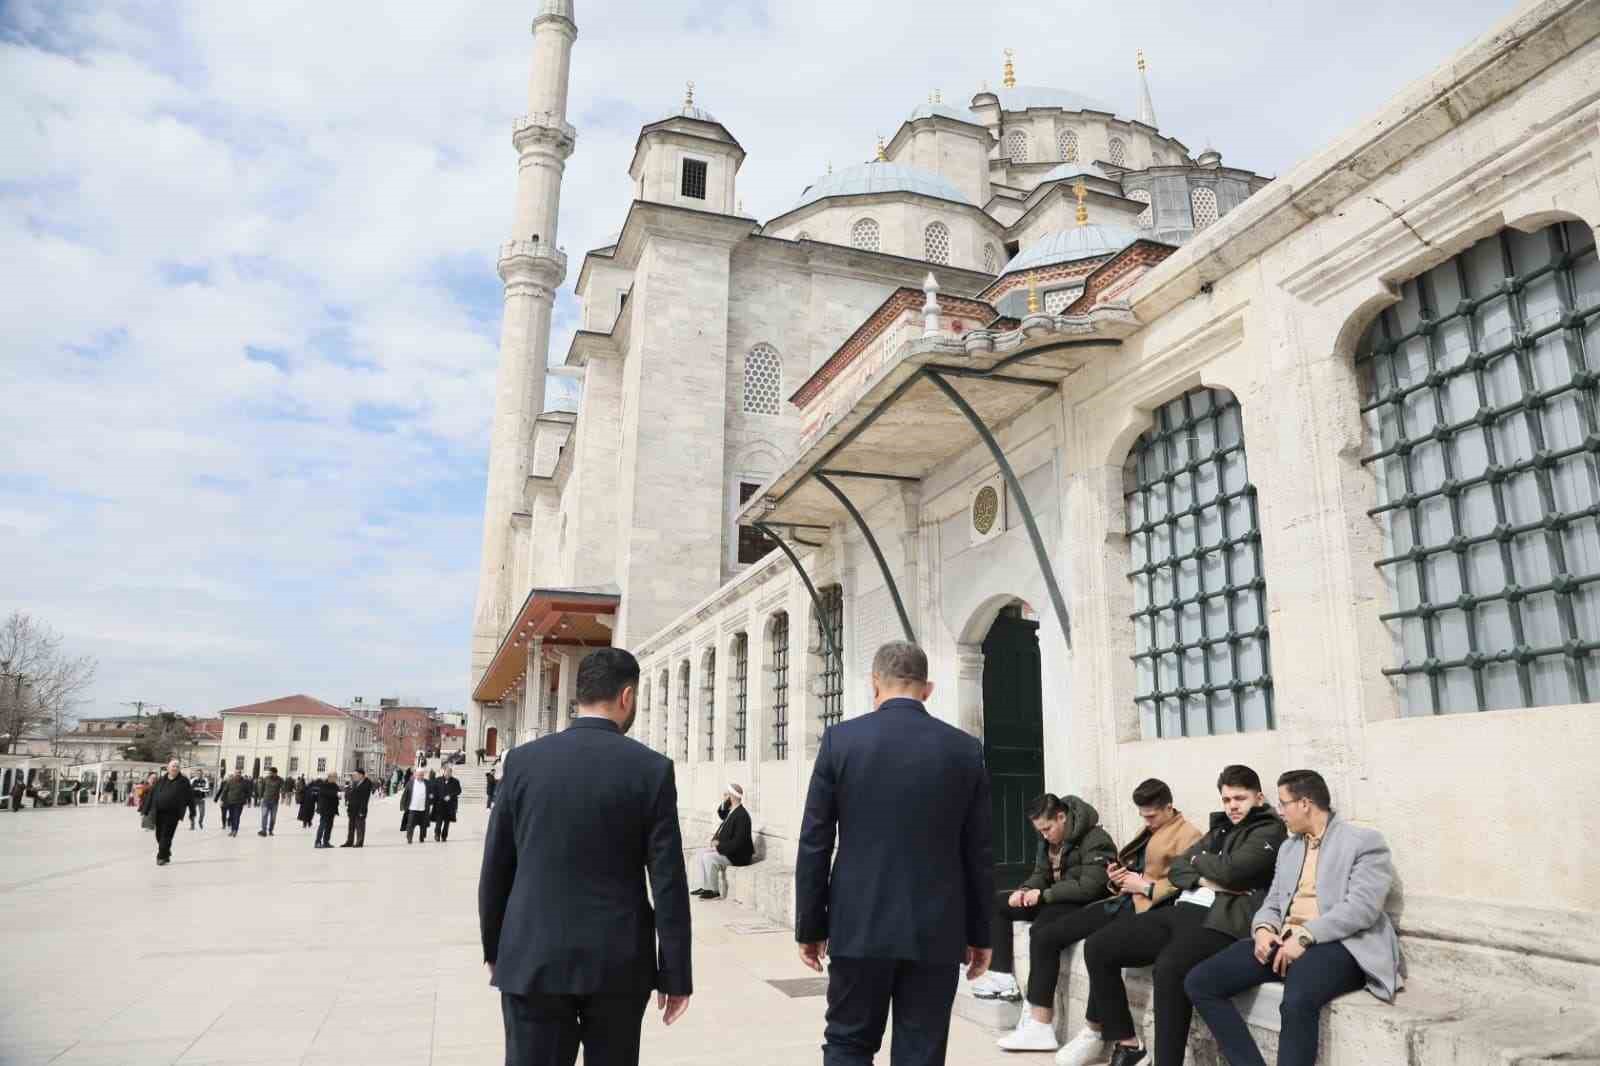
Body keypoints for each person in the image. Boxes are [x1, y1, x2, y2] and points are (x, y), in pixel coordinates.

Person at [480, 647, 692, 1066]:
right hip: (617, 964)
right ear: (627, 696)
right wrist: (676, 973)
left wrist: (495, 948)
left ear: (579, 695)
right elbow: (667, 881)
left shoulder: (523, 763)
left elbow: (497, 867)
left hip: (532, 958)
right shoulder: (651, 769)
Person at [795, 641, 993, 1066]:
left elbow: (814, 841)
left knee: (847, 1043)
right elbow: (978, 850)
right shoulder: (964, 749)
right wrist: (980, 934)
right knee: (921, 1053)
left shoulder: (840, 741)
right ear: (929, 689)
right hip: (937, 929)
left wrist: (810, 926)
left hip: (858, 924)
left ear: (874, 684)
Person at [1185, 770, 1401, 1066]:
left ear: (1305, 803)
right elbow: (1274, 900)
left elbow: (1362, 907)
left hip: (1341, 943)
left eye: (1284, 803)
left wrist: (1305, 935)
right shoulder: (1290, 847)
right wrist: (1262, 929)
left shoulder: (1363, 841)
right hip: (1284, 939)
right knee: (1200, 981)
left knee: (1298, 999)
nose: (1278, 811)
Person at [1076, 765, 1286, 1066]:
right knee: (1099, 946)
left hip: (1224, 920)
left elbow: (1234, 872)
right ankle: (1129, 1044)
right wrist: (1205, 877)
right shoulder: (1221, 828)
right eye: (1226, 800)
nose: (1232, 806)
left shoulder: (1270, 830)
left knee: (1170, 968)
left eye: (1239, 798)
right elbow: (1178, 867)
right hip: (1185, 908)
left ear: (1259, 797)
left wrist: (1203, 864)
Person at [1054, 779, 1205, 1065]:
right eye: (1142, 815)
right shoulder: (1149, 829)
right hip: (1124, 901)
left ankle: (1102, 1034)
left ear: (1169, 807)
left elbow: (1187, 881)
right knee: (1063, 933)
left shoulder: (1190, 835)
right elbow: (1137, 869)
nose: (1146, 820)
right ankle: (1109, 1036)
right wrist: (1119, 878)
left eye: (1151, 815)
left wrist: (1145, 887)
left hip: (1153, 910)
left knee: (1099, 946)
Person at [969, 793, 1115, 1053]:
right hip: (1053, 897)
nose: (1045, 835)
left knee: (1041, 932)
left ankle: (1040, 1025)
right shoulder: (1047, 840)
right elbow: (1041, 874)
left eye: (1047, 828)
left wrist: (1044, 894)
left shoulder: (1096, 839)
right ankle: (1002, 976)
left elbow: (1091, 887)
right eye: (1040, 830)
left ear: (1062, 817)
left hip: (1079, 903)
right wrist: (1024, 890)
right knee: (998, 903)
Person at [691, 783, 754, 902]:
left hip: (738, 856)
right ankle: (705, 887)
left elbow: (738, 843)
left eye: (726, 795)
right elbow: (721, 813)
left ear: (732, 797)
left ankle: (714, 892)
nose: (723, 797)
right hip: (728, 850)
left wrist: (718, 847)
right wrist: (724, 802)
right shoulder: (733, 811)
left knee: (709, 858)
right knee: (700, 853)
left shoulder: (742, 816)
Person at [143, 759, 193, 866]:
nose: (175, 768)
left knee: (166, 835)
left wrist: (192, 812)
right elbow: (152, 795)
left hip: (173, 814)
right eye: (173, 766)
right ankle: (166, 852)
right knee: (158, 835)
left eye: (177, 766)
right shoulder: (161, 780)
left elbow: (190, 796)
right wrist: (146, 809)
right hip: (159, 812)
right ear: (168, 768)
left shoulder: (183, 781)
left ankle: (160, 857)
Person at [340, 768, 373, 848]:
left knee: (360, 826)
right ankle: (349, 841)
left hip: (360, 808)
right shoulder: (354, 783)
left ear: (361, 775)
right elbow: (349, 794)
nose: (354, 776)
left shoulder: (367, 783)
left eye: (356, 775)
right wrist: (348, 787)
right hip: (352, 808)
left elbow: (365, 798)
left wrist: (362, 810)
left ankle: (359, 842)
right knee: (351, 826)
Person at [432, 765, 462, 842]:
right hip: (439, 804)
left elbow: (459, 791)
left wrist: (451, 796)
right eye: (447, 772)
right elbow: (434, 790)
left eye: (450, 772)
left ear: (451, 773)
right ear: (444, 772)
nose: (448, 773)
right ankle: (437, 835)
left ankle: (444, 836)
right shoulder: (438, 780)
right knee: (439, 821)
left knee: (447, 822)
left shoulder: (455, 781)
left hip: (450, 806)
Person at [217, 769, 250, 837]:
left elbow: (248, 792)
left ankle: (235, 830)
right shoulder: (230, 781)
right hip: (231, 802)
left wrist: (245, 799)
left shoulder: (244, 782)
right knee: (232, 817)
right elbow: (225, 791)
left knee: (237, 816)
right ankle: (232, 830)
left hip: (239, 802)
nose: (238, 774)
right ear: (234, 774)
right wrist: (222, 800)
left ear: (240, 774)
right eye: (236, 773)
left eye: (239, 773)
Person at [313, 770, 340, 848]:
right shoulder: (323, 785)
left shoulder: (335, 785)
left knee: (329, 826)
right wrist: (335, 794)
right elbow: (326, 793)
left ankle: (326, 842)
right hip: (324, 809)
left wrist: (338, 796)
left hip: (332, 809)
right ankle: (317, 842)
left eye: (336, 777)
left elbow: (336, 793)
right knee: (322, 825)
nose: (336, 778)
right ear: (330, 777)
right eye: (335, 777)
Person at [257, 766, 284, 837]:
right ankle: (263, 830)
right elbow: (261, 788)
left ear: (275, 773)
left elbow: (283, 788)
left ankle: (271, 830)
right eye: (269, 772)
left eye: (271, 773)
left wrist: (283, 796)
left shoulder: (280, 780)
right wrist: (260, 797)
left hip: (274, 802)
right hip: (266, 801)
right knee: (264, 815)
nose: (270, 774)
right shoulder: (266, 779)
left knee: (273, 818)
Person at [404, 768, 430, 843]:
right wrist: (404, 805)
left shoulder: (427, 783)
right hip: (413, 807)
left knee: (423, 825)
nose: (420, 776)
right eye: (418, 775)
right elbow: (406, 794)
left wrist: (430, 800)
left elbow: (431, 793)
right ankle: (409, 838)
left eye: (422, 775)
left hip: (423, 808)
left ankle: (422, 837)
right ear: (415, 775)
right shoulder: (410, 783)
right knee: (410, 824)